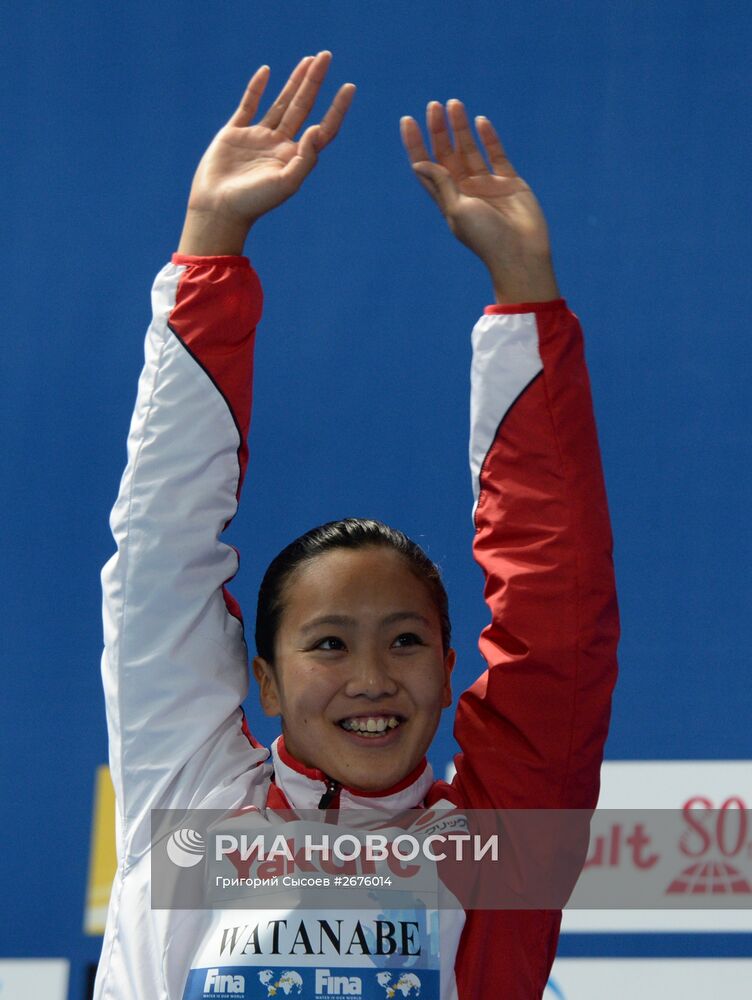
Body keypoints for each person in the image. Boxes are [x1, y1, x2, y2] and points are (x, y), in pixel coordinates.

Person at [95, 51, 618, 1000]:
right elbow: (160, 554)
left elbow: (560, 623)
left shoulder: (498, 854)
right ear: (261, 676)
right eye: (328, 643)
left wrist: (525, 293)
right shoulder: (191, 811)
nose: (372, 679)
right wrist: (211, 239)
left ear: (452, 664)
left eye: (407, 639)